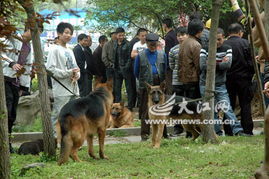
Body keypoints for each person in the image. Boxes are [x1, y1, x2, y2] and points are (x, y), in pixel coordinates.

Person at [1, 22, 43, 153]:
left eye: (39, 33)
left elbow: (27, 67)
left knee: (12, 114)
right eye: (36, 31)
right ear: (29, 29)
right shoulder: (12, 38)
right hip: (4, 78)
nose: (37, 35)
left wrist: (24, 87)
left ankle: (6, 143)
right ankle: (4, 144)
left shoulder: (28, 46)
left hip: (15, 82)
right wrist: (11, 63)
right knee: (6, 112)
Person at [199, 28, 244, 136]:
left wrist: (211, 63)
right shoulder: (204, 49)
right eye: (214, 40)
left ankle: (237, 130)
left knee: (227, 107)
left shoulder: (227, 48)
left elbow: (227, 65)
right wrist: (220, 63)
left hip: (220, 84)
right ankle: (217, 132)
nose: (217, 42)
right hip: (205, 83)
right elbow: (202, 66)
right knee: (211, 110)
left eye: (219, 39)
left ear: (224, 37)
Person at [46, 22, 80, 135]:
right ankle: (56, 141)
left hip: (73, 89)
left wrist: (76, 75)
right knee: (59, 115)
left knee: (73, 117)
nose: (68, 35)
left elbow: (76, 68)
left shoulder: (70, 50)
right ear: (59, 33)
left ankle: (70, 141)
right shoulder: (54, 49)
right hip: (61, 90)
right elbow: (50, 69)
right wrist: (68, 73)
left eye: (70, 33)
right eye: (66, 32)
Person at [134, 33, 167, 141]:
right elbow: (136, 72)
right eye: (150, 45)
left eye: (154, 45)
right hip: (146, 86)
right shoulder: (140, 55)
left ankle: (164, 134)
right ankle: (145, 134)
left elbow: (165, 69)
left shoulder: (162, 54)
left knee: (162, 109)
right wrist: (144, 83)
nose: (153, 47)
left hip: (159, 83)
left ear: (157, 43)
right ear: (147, 43)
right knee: (145, 110)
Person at [224, 23, 255, 135]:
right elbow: (251, 63)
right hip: (244, 79)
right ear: (240, 32)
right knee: (245, 104)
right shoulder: (245, 43)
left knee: (229, 105)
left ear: (228, 33)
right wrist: (250, 74)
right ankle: (247, 129)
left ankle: (228, 129)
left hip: (228, 79)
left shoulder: (224, 44)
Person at [168, 27, 188, 135]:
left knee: (188, 105)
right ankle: (178, 127)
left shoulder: (192, 47)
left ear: (188, 35)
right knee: (177, 105)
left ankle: (191, 127)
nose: (180, 37)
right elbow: (171, 66)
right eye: (178, 35)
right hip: (177, 82)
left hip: (189, 81)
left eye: (183, 34)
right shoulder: (173, 50)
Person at [112, 27, 136, 111]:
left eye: (122, 35)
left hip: (126, 69)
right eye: (119, 35)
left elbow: (130, 58)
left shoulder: (128, 44)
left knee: (129, 88)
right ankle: (117, 105)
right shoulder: (114, 43)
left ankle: (130, 106)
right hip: (117, 69)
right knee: (117, 89)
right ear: (116, 35)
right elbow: (114, 55)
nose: (121, 37)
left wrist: (126, 67)